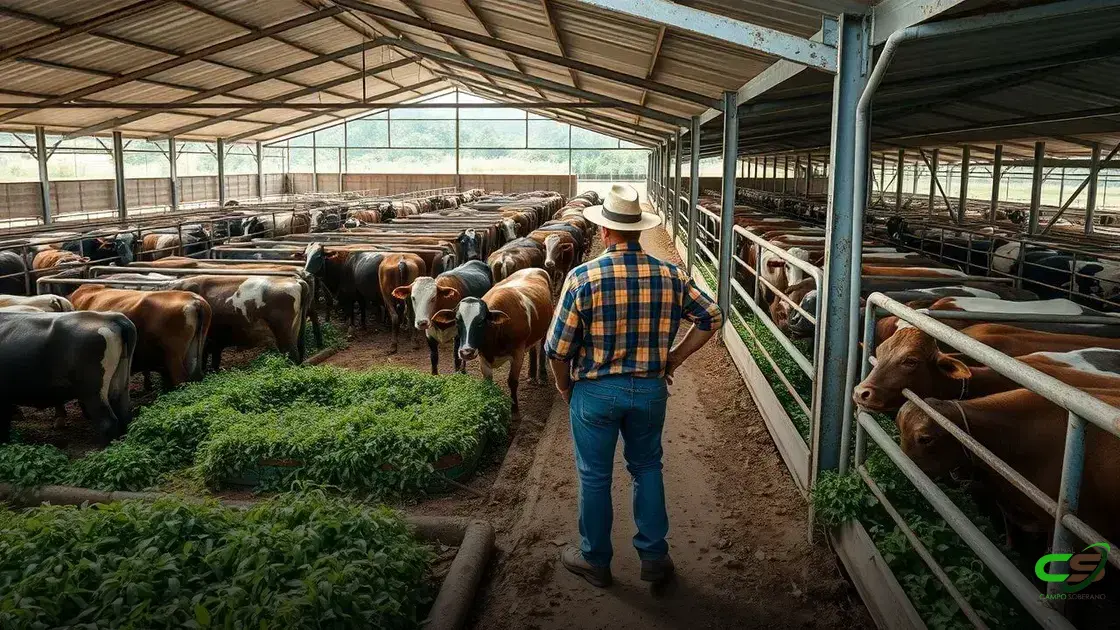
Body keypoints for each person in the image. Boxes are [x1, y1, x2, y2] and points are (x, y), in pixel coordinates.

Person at [545, 183, 723, 588]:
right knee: (646, 468)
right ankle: (655, 557)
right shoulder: (670, 274)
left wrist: (564, 387)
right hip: (648, 390)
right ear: (640, 230)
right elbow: (712, 317)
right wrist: (673, 357)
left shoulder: (582, 277)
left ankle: (596, 560)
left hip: (595, 392)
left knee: (594, 476)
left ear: (605, 232)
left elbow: (556, 349)